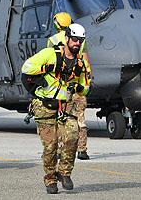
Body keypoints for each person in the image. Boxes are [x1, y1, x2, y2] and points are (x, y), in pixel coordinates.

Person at [22, 23, 90, 194]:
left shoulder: (80, 63)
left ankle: (65, 173)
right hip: (45, 106)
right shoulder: (50, 54)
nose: (77, 43)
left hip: (66, 106)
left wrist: (79, 89)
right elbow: (26, 67)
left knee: (72, 139)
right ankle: (50, 178)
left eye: (80, 40)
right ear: (67, 38)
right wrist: (47, 68)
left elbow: (86, 84)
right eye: (74, 39)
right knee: (50, 146)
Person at [48, 12, 91, 160]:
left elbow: (51, 61)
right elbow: (86, 61)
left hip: (61, 86)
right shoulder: (81, 40)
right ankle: (82, 150)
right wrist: (87, 81)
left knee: (60, 117)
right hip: (78, 82)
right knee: (80, 118)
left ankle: (59, 150)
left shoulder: (52, 40)